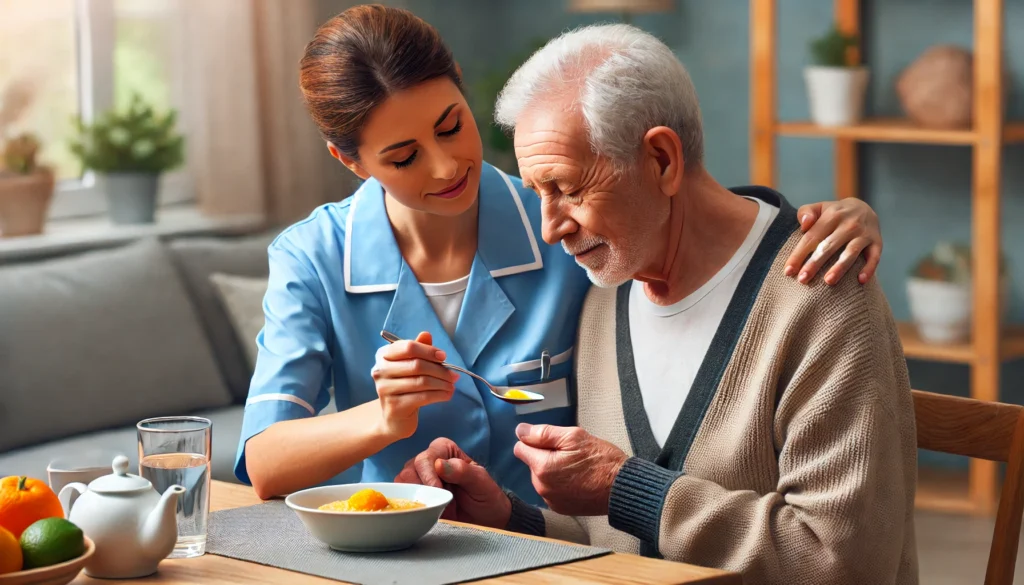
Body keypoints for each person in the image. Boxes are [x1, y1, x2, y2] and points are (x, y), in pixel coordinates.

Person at [235, 5, 887, 507]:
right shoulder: (313, 258)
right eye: (403, 157)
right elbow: (264, 461)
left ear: (463, 92)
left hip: (564, 553)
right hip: (401, 553)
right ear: (348, 160)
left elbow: (678, 214)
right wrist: (381, 419)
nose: (447, 165)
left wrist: (817, 219)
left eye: (451, 124)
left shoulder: (568, 226)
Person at [396, 23, 918, 584]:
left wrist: (627, 487)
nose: (550, 230)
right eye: (537, 194)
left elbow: (845, 562)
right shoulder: (606, 295)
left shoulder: (823, 298)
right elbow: (625, 542)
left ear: (663, 160)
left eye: (568, 189)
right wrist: (509, 518)